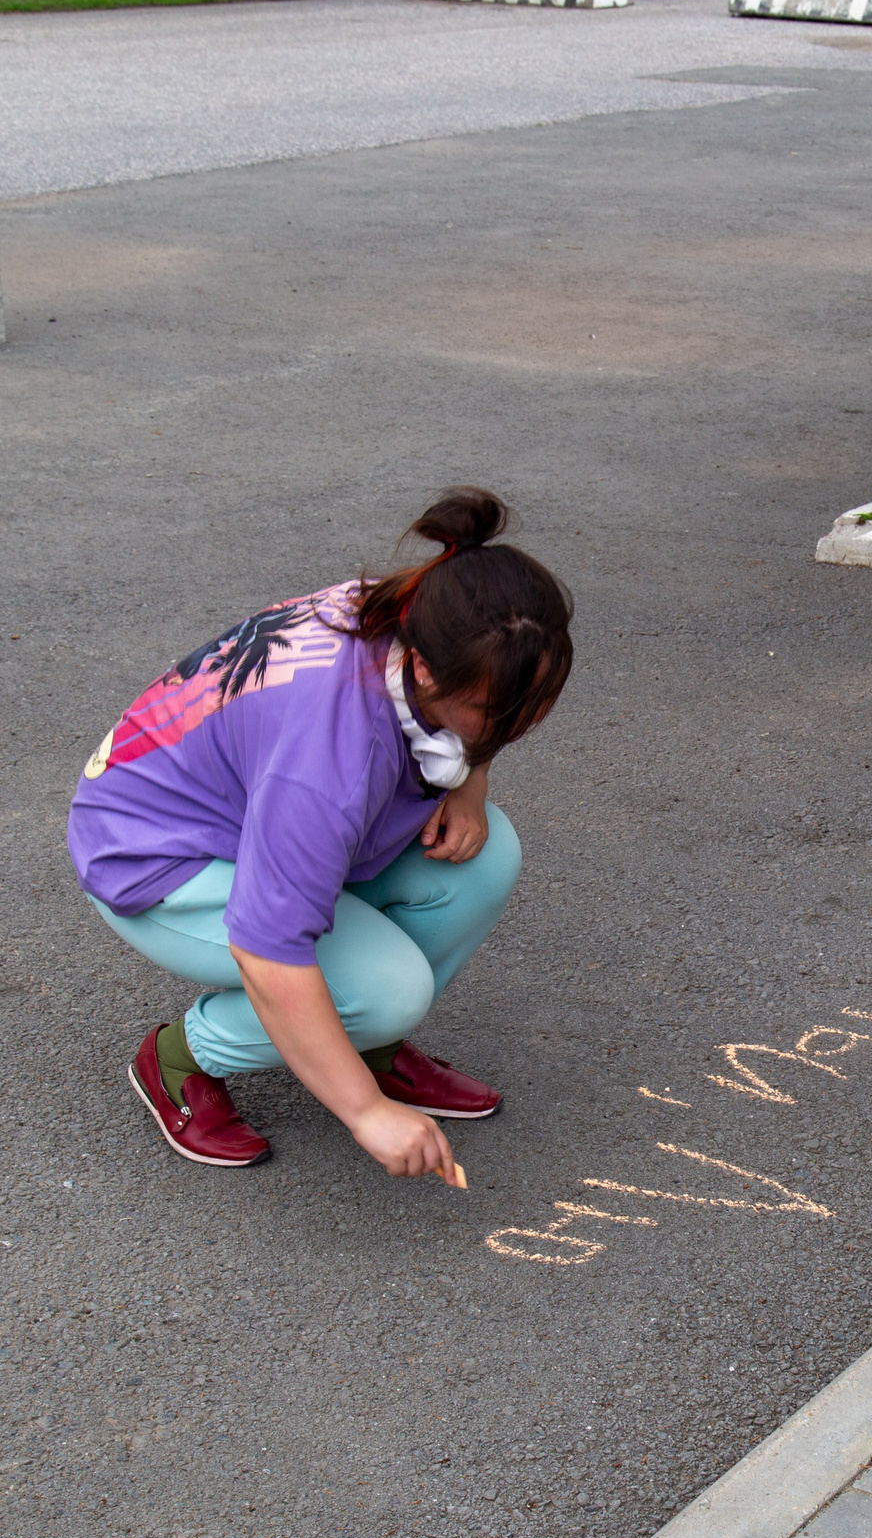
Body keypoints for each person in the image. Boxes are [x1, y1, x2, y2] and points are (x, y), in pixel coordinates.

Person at [68, 487, 572, 1180]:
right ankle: (184, 1056)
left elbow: (496, 706)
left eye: (536, 704)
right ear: (425, 669)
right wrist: (365, 1113)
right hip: (159, 856)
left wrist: (470, 781)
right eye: (495, 713)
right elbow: (269, 949)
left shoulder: (430, 611)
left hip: (256, 813)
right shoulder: (329, 759)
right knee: (383, 991)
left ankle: (370, 1045)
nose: (522, 726)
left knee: (483, 861)